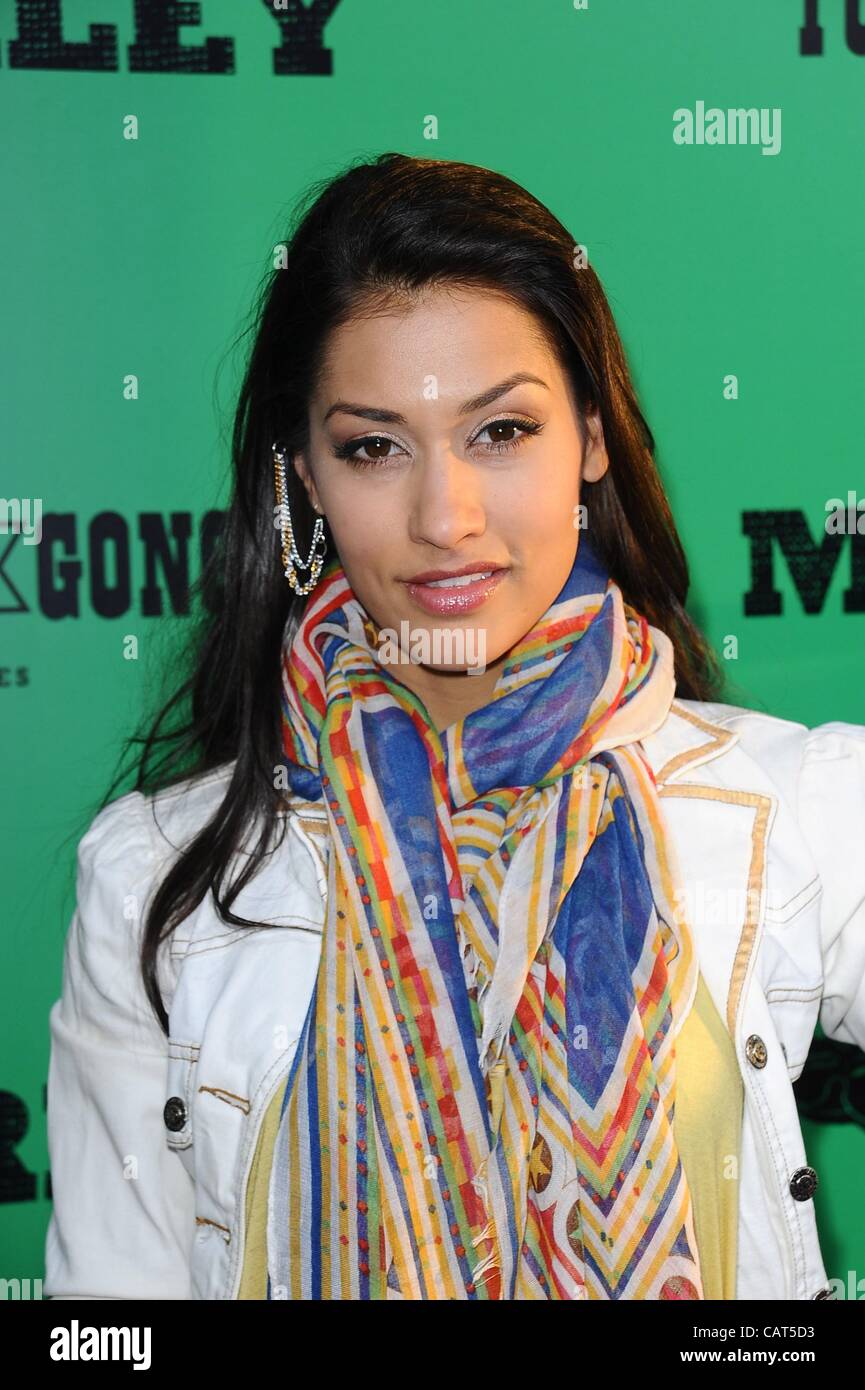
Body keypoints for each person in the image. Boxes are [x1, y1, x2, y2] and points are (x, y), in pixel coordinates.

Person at [43, 152, 865, 1301]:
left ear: (589, 439)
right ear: (304, 485)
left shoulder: (800, 808)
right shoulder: (154, 880)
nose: (446, 518)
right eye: (374, 446)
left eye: (500, 432)